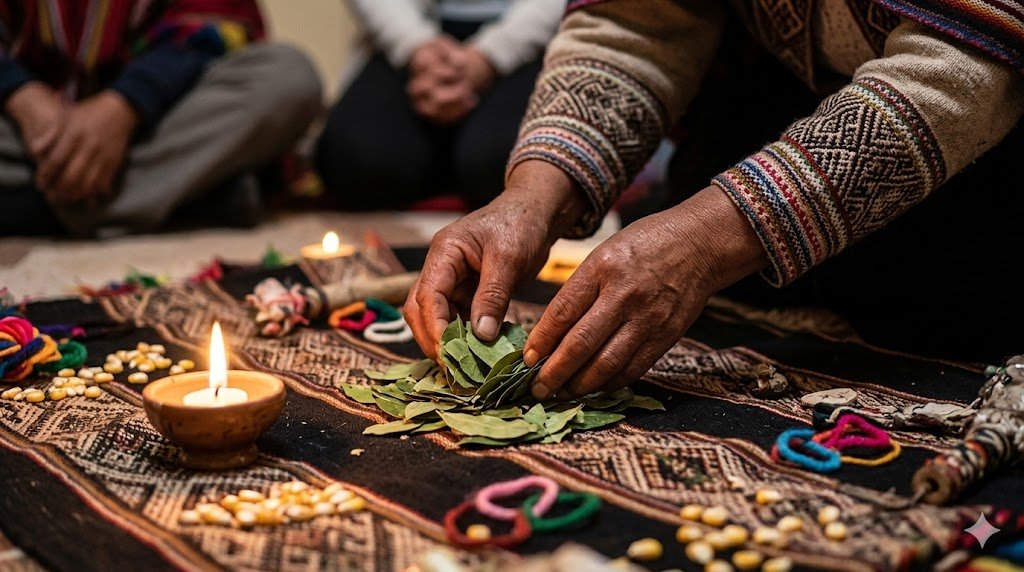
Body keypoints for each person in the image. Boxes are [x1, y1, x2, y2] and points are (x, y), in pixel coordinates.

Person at [405, 0, 1024, 399]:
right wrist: (531, 196)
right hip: (794, 81)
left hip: (988, 103)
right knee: (679, 267)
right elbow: (635, 22)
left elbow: (966, 60)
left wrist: (706, 240)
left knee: (945, 302)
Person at [0, 0, 322, 237]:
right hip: (23, 130)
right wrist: (21, 94)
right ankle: (191, 197)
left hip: (153, 119)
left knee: (288, 77)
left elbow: (213, 24)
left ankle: (32, 209)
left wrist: (124, 105)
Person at [314, 0, 563, 210]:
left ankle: (456, 155)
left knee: (513, 165)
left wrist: (490, 56)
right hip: (408, 36)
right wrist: (415, 45)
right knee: (355, 160)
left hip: (533, 39)